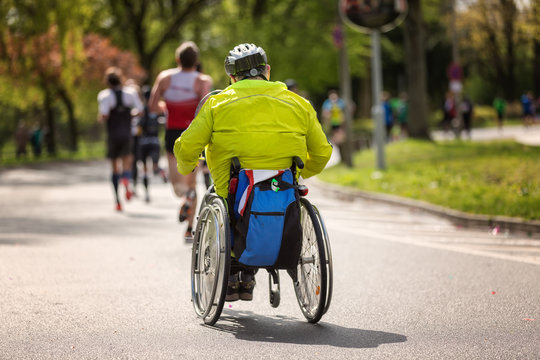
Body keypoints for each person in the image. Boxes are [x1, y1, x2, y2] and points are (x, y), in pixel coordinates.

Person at [174, 43, 332, 302]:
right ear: (267, 71)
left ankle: (236, 273)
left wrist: (186, 166)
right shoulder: (299, 104)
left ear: (232, 78)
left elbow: (186, 146)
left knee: (226, 203)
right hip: (283, 191)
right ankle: (250, 274)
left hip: (233, 194)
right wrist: (300, 175)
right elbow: (323, 152)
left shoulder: (217, 104)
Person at [149, 41, 213, 239]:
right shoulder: (203, 81)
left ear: (177, 59)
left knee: (178, 185)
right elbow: (205, 109)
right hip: (194, 134)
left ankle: (186, 196)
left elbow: (152, 106)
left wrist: (166, 108)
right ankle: (189, 228)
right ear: (196, 61)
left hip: (172, 133)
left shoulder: (165, 78)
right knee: (191, 181)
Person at [97, 67, 143, 211]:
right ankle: (126, 180)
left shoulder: (104, 96)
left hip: (112, 135)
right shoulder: (130, 94)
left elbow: (104, 115)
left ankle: (117, 201)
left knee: (114, 167)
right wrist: (130, 115)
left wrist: (102, 118)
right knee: (127, 162)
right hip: (126, 133)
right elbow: (140, 110)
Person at [137, 85, 168, 203]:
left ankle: (146, 194)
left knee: (144, 169)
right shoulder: (157, 110)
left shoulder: (142, 110)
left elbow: (138, 126)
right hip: (155, 141)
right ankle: (161, 172)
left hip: (143, 142)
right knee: (155, 166)